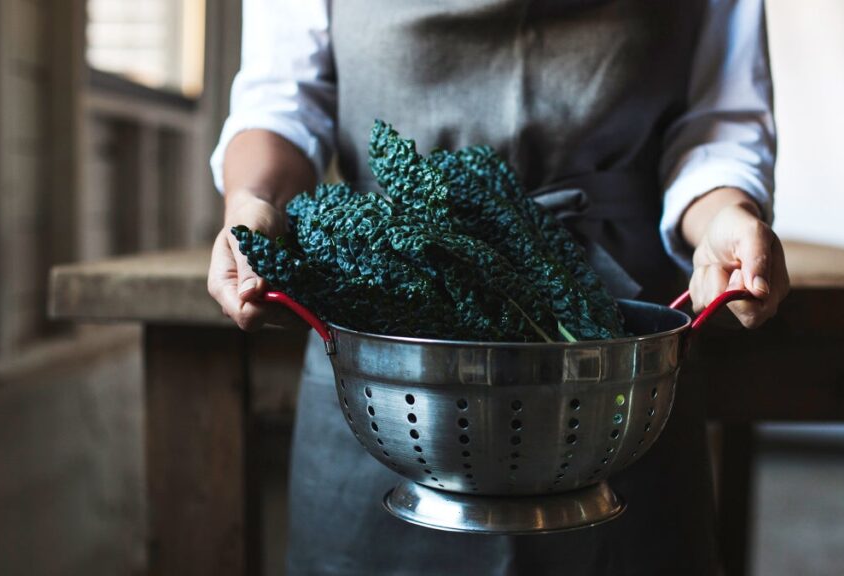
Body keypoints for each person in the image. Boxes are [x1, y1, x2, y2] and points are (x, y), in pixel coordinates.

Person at [208, 0, 790, 574]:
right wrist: (252, 204)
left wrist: (725, 215)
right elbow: (283, 100)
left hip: (617, 332)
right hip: (393, 299)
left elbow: (719, 120)